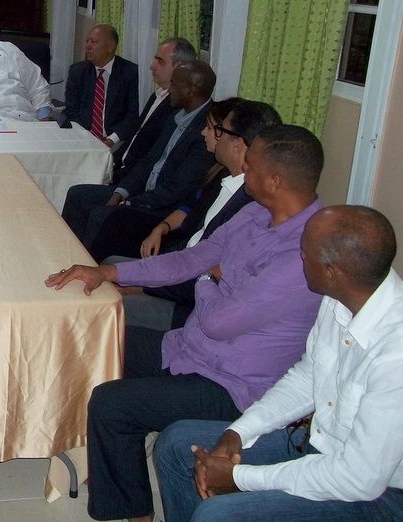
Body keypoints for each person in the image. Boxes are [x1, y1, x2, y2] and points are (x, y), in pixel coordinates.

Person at [45, 124, 325, 522]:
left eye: (252, 163)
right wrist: (107, 274)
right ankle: (103, 464)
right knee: (95, 341)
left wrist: (208, 280)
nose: (244, 166)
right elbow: (190, 260)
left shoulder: (305, 250)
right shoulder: (256, 213)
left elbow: (219, 322)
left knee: (113, 403)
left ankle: (134, 513)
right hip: (188, 348)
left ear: (275, 180)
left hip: (233, 385)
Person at [155, 205, 403, 522]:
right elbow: (307, 378)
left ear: (332, 272)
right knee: (175, 445)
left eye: (304, 253)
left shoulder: (395, 354)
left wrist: (238, 477)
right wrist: (238, 433)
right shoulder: (340, 297)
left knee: (217, 515)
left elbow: (358, 479)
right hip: (318, 445)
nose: (299, 258)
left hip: (379, 496)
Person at [93, 100, 281, 332]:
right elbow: (190, 248)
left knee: (105, 306)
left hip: (192, 307)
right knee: (108, 264)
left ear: (237, 143)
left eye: (219, 130)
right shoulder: (223, 179)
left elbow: (205, 276)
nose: (205, 133)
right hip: (180, 275)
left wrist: (142, 286)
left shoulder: (250, 206)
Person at [62, 59, 216, 248]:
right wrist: (121, 192)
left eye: (175, 85)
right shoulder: (176, 116)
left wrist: (130, 203)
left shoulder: (207, 130)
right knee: (77, 195)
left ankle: (86, 262)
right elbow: (148, 161)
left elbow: (178, 189)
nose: (170, 90)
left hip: (163, 209)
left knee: (102, 215)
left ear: (191, 90)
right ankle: (65, 251)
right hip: (142, 193)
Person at [110, 37, 196, 184]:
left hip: (132, 179)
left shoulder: (178, 108)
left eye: (160, 61)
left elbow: (152, 156)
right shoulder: (157, 95)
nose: (152, 66)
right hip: (118, 167)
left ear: (179, 68)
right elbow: (135, 137)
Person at [61, 24, 141, 148]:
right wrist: (86, 138)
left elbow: (132, 116)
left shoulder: (129, 72)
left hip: (116, 140)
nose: (88, 46)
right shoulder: (77, 71)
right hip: (82, 137)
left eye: (94, 42)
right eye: (87, 41)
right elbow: (71, 110)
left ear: (110, 47)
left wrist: (111, 140)